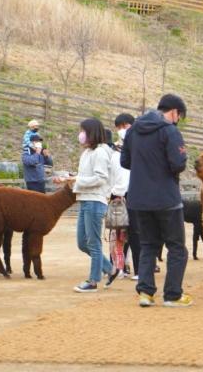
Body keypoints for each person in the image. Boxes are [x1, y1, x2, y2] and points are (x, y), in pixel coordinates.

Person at [121, 94, 192, 308]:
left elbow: (125, 161)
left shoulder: (133, 130)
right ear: (174, 112)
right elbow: (178, 164)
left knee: (147, 245)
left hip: (138, 198)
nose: (178, 119)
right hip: (166, 199)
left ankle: (145, 293)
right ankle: (172, 295)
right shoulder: (170, 131)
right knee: (177, 247)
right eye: (180, 116)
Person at [72, 118, 117, 293]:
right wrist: (71, 179)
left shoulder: (101, 152)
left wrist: (77, 180)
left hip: (95, 201)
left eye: (83, 131)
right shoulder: (88, 153)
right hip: (85, 199)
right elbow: (86, 177)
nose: (81, 134)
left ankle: (93, 280)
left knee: (93, 243)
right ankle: (110, 269)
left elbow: (100, 178)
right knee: (83, 242)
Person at [114, 113, 140, 280]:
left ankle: (139, 269)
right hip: (121, 195)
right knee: (120, 233)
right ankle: (121, 267)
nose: (122, 130)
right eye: (119, 128)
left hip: (134, 194)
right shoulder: (117, 148)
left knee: (135, 233)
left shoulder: (138, 144)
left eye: (124, 126)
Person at [106, 129, 129, 280]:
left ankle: (118, 268)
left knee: (117, 240)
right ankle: (121, 267)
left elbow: (116, 182)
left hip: (117, 201)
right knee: (121, 239)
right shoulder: (126, 157)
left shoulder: (116, 157)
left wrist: (111, 194)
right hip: (126, 200)